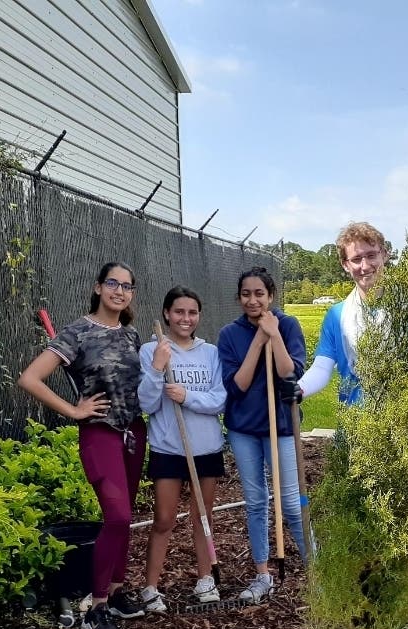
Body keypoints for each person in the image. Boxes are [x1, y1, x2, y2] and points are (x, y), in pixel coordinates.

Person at [18, 262, 148, 629]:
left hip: (133, 434)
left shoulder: (132, 335)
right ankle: (98, 606)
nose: (119, 291)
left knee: (125, 517)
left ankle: (119, 591)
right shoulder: (77, 333)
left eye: (126, 286)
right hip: (100, 434)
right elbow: (30, 378)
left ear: (131, 294)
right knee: (118, 516)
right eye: (112, 284)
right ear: (98, 288)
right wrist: (75, 410)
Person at [218, 267, 307, 601]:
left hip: (280, 427)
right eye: (246, 294)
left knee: (292, 504)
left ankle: (319, 571)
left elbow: (289, 373)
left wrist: (275, 335)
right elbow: (238, 385)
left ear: (271, 296)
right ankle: (262, 575)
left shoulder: (287, 324)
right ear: (239, 297)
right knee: (256, 502)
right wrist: (258, 340)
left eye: (259, 294)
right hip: (244, 429)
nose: (252, 300)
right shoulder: (230, 334)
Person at [138, 286, 226, 607]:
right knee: (163, 519)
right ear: (166, 314)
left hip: (205, 449)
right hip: (169, 449)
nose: (186, 318)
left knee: (203, 516)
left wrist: (188, 397)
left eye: (192, 312)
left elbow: (220, 399)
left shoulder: (211, 353)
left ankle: (205, 580)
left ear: (198, 316)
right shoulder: (152, 350)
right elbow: (146, 403)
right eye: (179, 312)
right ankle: (150, 588)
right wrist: (158, 367)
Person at [299, 222, 390, 405]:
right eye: (356, 259)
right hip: (354, 424)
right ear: (345, 265)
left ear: (385, 255)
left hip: (406, 425)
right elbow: (322, 368)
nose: (365, 266)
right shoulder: (336, 316)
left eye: (371, 255)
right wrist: (300, 388)